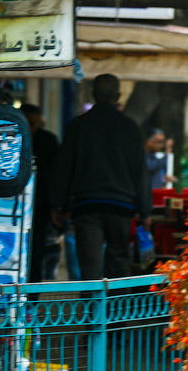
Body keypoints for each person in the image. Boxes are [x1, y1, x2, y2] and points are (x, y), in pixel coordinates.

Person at [49, 74, 151, 280]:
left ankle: (93, 310)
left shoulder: (78, 126)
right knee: (119, 262)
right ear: (118, 96)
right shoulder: (131, 128)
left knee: (90, 267)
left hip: (87, 207)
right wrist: (145, 210)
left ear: (93, 95)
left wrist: (58, 205)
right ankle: (118, 310)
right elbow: (140, 171)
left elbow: (64, 168)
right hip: (121, 207)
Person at [20, 104, 60, 281]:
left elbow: (53, 175)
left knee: (36, 251)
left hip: (39, 205)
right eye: (27, 123)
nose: (31, 128)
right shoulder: (10, 137)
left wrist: (54, 206)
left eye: (34, 124)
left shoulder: (48, 140)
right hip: (14, 204)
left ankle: (32, 296)